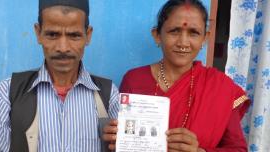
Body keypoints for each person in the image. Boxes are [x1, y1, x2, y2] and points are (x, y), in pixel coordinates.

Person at [102, 0, 250, 151]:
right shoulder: (134, 79)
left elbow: (237, 148)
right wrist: (116, 138)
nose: (183, 42)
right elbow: (125, 137)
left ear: (205, 38)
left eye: (194, 33)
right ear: (157, 35)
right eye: (174, 31)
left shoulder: (220, 86)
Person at [0, 0, 119, 151]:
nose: (63, 47)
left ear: (88, 35)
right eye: (53, 34)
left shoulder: (108, 94)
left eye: (74, 35)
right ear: (38, 33)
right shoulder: (7, 92)